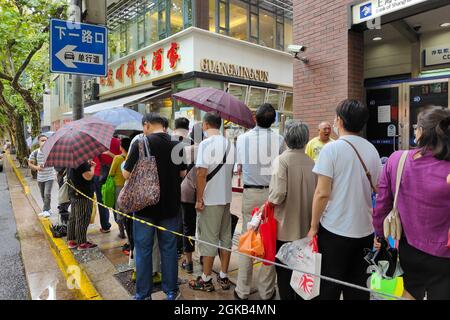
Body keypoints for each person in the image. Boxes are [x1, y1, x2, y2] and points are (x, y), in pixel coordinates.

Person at [307, 99, 382, 300]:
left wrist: (314, 226)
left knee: (329, 286)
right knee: (358, 288)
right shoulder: (372, 151)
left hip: (335, 231)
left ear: (339, 121)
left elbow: (322, 193)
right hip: (365, 231)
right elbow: (377, 188)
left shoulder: (331, 150)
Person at [373, 106, 450, 300]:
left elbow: (381, 204)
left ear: (421, 132)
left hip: (409, 248)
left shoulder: (397, 160)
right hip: (445, 255)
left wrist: (380, 236)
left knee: (409, 292)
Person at [123, 113, 187, 300]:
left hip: (144, 207)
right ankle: (170, 291)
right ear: (165, 126)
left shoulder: (140, 144)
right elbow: (182, 173)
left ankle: (143, 294)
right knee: (169, 249)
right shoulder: (177, 145)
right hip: (170, 207)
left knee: (143, 250)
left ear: (147, 125)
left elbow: (126, 175)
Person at [234, 103, 285, 300]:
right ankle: (266, 292)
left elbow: (239, 165)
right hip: (272, 196)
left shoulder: (242, 139)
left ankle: (242, 290)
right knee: (269, 241)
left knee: (247, 239)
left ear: (255, 118)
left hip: (251, 193)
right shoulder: (279, 139)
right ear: (273, 121)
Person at [268, 120, 317, 300]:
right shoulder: (312, 162)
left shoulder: (282, 161)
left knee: (284, 275)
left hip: (285, 228)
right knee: (303, 275)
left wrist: (269, 202)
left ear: (286, 138)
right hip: (307, 229)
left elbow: (278, 194)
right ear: (306, 139)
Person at [188, 112, 235, 292]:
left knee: (208, 240)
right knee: (225, 238)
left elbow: (201, 173)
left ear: (206, 125)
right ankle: (223, 276)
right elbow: (230, 172)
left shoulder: (206, 144)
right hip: (226, 198)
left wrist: (199, 199)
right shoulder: (229, 144)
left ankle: (206, 279)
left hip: (210, 200)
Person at [180, 123, 204, 274]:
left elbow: (180, 172)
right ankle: (203, 257)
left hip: (187, 192)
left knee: (188, 226)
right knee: (204, 227)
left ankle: (189, 263)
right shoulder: (209, 150)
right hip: (205, 193)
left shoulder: (185, 150)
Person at [67, 160, 97, 250]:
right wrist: (93, 167)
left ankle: (72, 241)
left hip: (74, 193)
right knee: (82, 218)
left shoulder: (70, 160)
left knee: (74, 217)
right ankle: (82, 243)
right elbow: (88, 176)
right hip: (83, 194)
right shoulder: (81, 161)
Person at [95, 136, 121, 233]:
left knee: (102, 201)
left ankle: (105, 226)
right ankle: (120, 225)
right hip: (115, 174)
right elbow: (122, 158)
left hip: (99, 173)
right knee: (116, 200)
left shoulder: (96, 142)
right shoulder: (117, 142)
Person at [108, 137, 131, 242]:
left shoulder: (117, 158)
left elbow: (111, 173)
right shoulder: (131, 157)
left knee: (119, 210)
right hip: (129, 186)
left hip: (118, 187)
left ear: (121, 147)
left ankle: (122, 233)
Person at [28, 134, 56, 218]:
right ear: (38, 142)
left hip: (50, 176)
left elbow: (56, 161)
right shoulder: (35, 152)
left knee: (47, 193)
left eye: (46, 140)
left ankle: (45, 210)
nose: (44, 142)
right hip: (40, 177)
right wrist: (37, 167)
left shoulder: (52, 152)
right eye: (42, 140)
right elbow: (29, 163)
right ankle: (48, 209)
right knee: (43, 194)